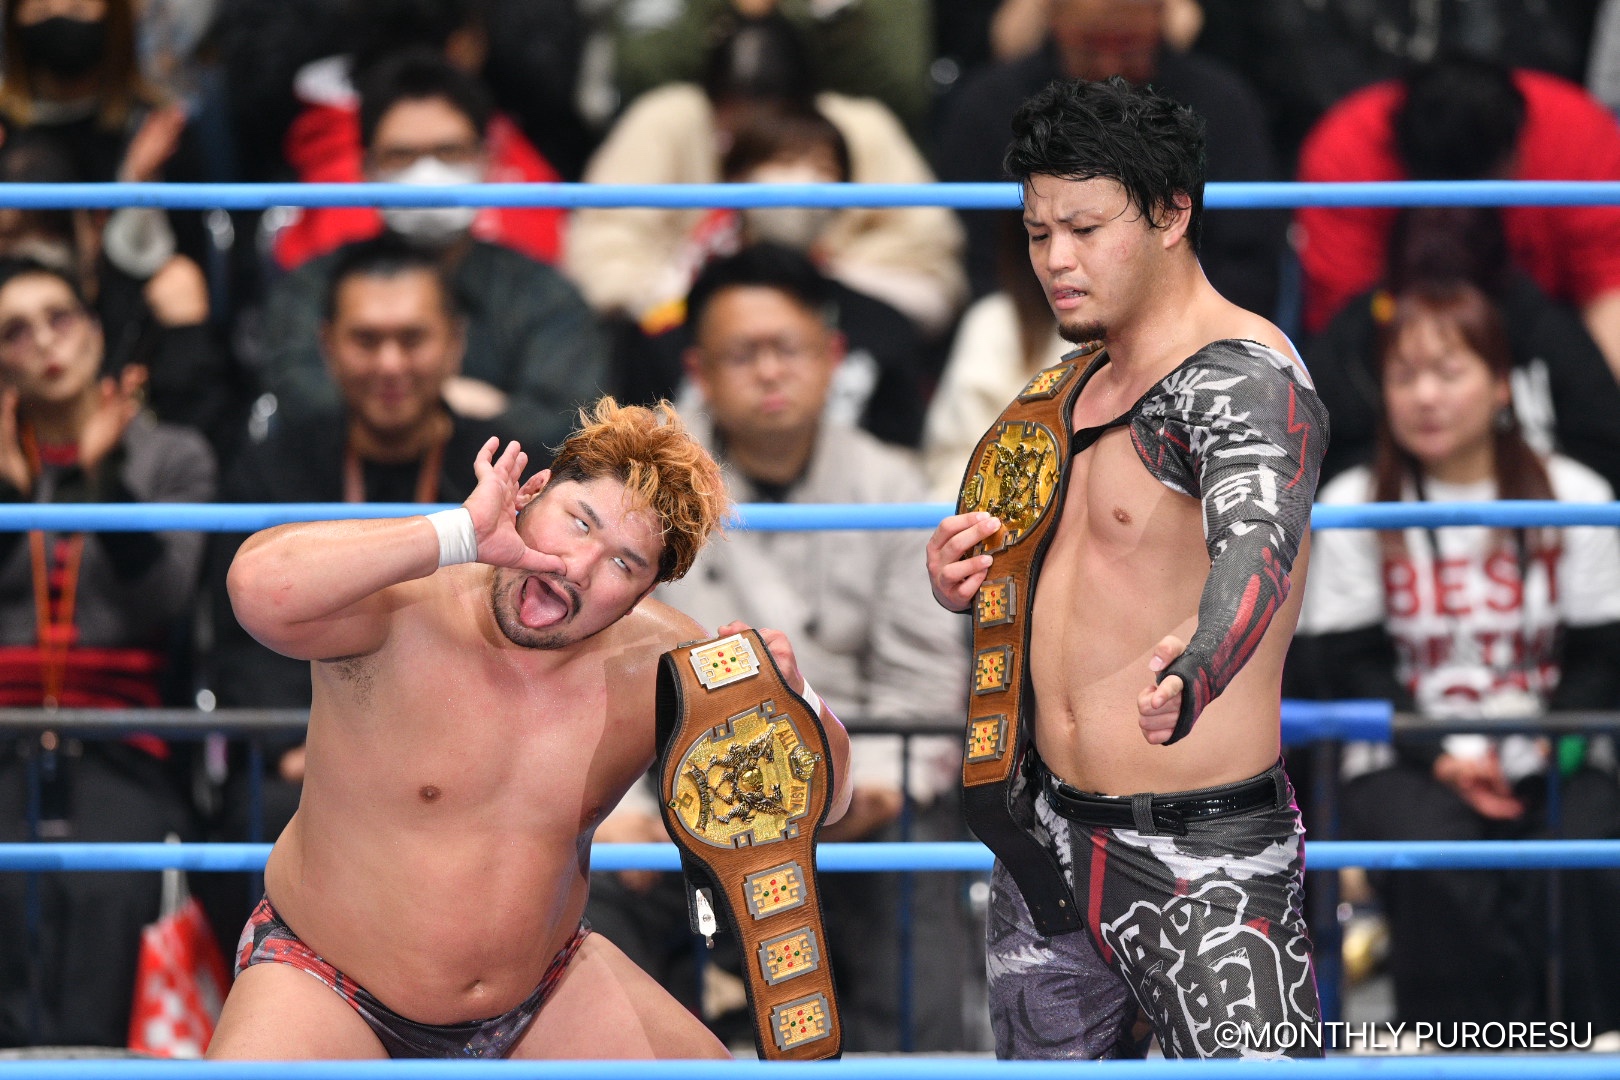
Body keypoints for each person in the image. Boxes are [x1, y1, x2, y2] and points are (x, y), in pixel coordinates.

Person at [207, 397, 854, 1060]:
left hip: (540, 995)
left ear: (646, 593)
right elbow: (255, 589)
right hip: (324, 980)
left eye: (624, 564)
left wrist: (798, 698)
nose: (578, 566)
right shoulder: (405, 598)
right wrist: (457, 532)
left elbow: (825, 804)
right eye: (578, 522)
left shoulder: (662, 665)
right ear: (533, 492)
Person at [925, 76, 1329, 1059]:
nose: (1055, 260)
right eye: (1037, 233)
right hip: (1044, 840)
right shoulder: (1065, 387)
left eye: (1085, 228)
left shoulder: (1243, 378)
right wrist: (960, 575)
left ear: (1171, 214)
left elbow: (1259, 542)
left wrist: (1201, 661)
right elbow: (1049, 574)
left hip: (1203, 855)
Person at [593, 245, 977, 1051]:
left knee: (915, 865)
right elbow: (598, 670)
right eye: (742, 354)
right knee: (592, 882)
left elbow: (919, 682)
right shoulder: (639, 495)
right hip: (674, 806)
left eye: (789, 349)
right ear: (699, 371)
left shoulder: (893, 488)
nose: (770, 372)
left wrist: (867, 791)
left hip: (848, 801)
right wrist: (625, 817)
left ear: (834, 357)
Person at [1295, 279, 1620, 1033]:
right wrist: (1444, 757)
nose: (1425, 397)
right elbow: (1346, 667)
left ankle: (1588, 1045)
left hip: (1556, 742)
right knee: (1436, 854)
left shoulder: (1575, 492)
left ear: (1502, 383)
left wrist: (1544, 743)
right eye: (1404, 376)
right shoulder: (1352, 503)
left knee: (1581, 846)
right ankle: (1453, 1050)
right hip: (1406, 753)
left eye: (1449, 372)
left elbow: (1603, 658)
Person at [197, 237, 533, 944]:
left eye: (412, 339)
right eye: (366, 340)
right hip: (311, 753)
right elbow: (239, 640)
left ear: (455, 343)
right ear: (327, 346)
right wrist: (297, 743)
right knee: (252, 825)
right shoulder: (273, 466)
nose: (389, 364)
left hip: (470, 757)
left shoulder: (510, 466)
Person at [0, 257, 216, 1046]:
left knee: (105, 896)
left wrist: (101, 478)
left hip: (120, 742)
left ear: (95, 330)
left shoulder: (171, 455)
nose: (44, 342)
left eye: (59, 317)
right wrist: (12, 494)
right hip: (3, 737)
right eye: (14, 330)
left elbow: (160, 603)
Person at [257, 52, 609, 453]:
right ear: (367, 169)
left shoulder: (545, 296)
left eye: (449, 152)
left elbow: (565, 426)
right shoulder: (311, 288)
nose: (426, 177)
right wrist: (454, 405)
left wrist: (400, 406)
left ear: (486, 160)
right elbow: (304, 404)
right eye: (402, 156)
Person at [566, 12, 966, 339]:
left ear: (809, 106)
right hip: (679, 337)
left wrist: (820, 281)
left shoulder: (863, 129)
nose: (750, 140)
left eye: (772, 125)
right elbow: (601, 255)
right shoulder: (664, 120)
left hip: (845, 335)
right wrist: (701, 292)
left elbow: (933, 268)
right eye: (735, 118)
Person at [933, 0, 1285, 315]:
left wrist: (1179, 328)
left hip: (1188, 326)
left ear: (1161, 15)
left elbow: (1250, 260)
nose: (1109, 67)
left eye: (1128, 45)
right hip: (1025, 331)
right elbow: (967, 257)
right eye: (1089, 45)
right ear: (1052, 18)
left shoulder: (1222, 104)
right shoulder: (989, 107)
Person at [1294, 56, 1620, 379]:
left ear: (1515, 154)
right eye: (1438, 214)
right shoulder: (1344, 161)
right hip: (1387, 341)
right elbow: (1343, 335)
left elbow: (1609, 300)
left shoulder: (1579, 140)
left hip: (1542, 343)